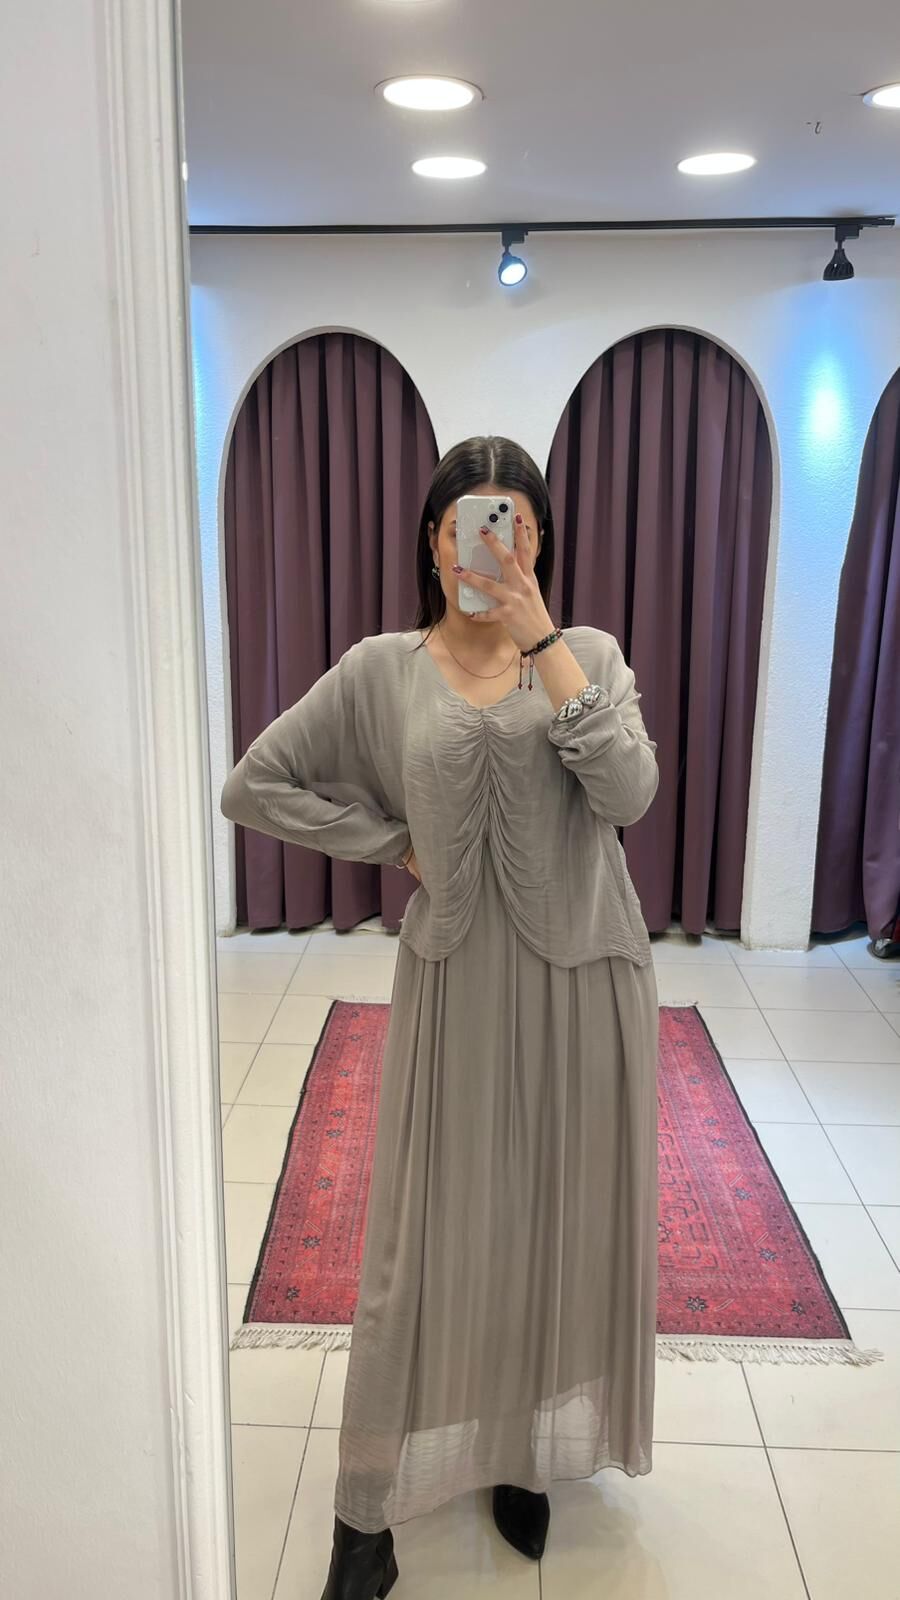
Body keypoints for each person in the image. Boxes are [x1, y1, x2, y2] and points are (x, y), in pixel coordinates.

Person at [220, 436, 661, 1600]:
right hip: (458, 987)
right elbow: (254, 783)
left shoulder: (589, 656)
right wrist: (390, 843)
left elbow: (629, 794)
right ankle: (362, 1519)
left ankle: (518, 1449)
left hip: (585, 986)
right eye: (473, 524)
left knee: (549, 1227)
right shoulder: (382, 669)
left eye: (517, 526)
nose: (492, 547)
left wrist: (542, 637)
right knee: (411, 1255)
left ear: (540, 541)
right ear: (433, 540)